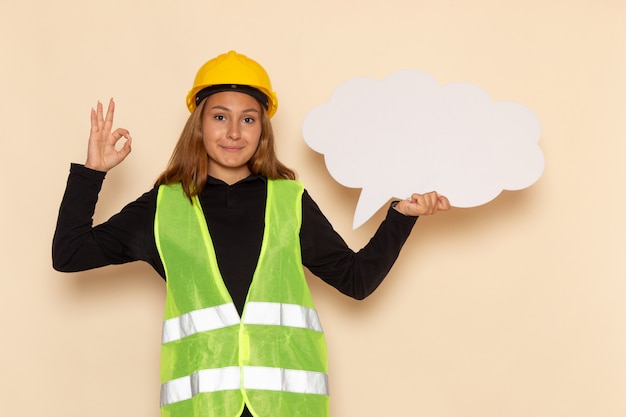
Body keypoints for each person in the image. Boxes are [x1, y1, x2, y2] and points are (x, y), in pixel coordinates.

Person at [53, 50, 450, 417]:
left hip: (286, 407)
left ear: (262, 128)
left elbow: (357, 280)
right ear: (199, 124)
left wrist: (402, 216)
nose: (233, 132)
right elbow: (69, 254)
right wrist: (92, 173)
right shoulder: (163, 207)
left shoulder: (289, 200)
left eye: (248, 118)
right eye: (220, 116)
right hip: (202, 409)